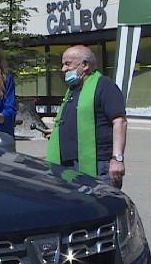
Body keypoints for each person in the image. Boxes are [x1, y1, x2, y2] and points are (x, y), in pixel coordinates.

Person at [46, 45, 128, 188]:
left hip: (98, 165)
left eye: (67, 64)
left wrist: (117, 158)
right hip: (70, 165)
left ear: (84, 65)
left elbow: (119, 122)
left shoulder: (104, 86)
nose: (63, 69)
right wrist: (58, 133)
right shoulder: (73, 90)